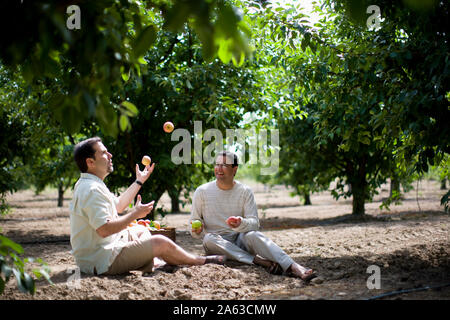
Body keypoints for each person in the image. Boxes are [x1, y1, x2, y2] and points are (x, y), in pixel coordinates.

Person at [69, 137, 226, 276]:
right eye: (104, 153)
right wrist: (134, 214)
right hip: (101, 260)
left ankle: (155, 263)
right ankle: (200, 261)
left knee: (141, 230)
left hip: (103, 251)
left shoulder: (92, 184)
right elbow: (104, 229)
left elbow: (118, 206)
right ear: (90, 162)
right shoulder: (91, 189)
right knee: (160, 242)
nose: (110, 155)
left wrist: (139, 181)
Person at [189, 151, 317, 281]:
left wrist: (241, 223)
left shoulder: (244, 191)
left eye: (224, 165)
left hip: (240, 241)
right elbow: (195, 224)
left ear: (235, 169)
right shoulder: (202, 192)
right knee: (208, 238)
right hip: (217, 246)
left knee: (253, 235)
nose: (219, 168)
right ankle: (259, 261)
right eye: (217, 164)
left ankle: (293, 266)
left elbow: (255, 224)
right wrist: (197, 230)